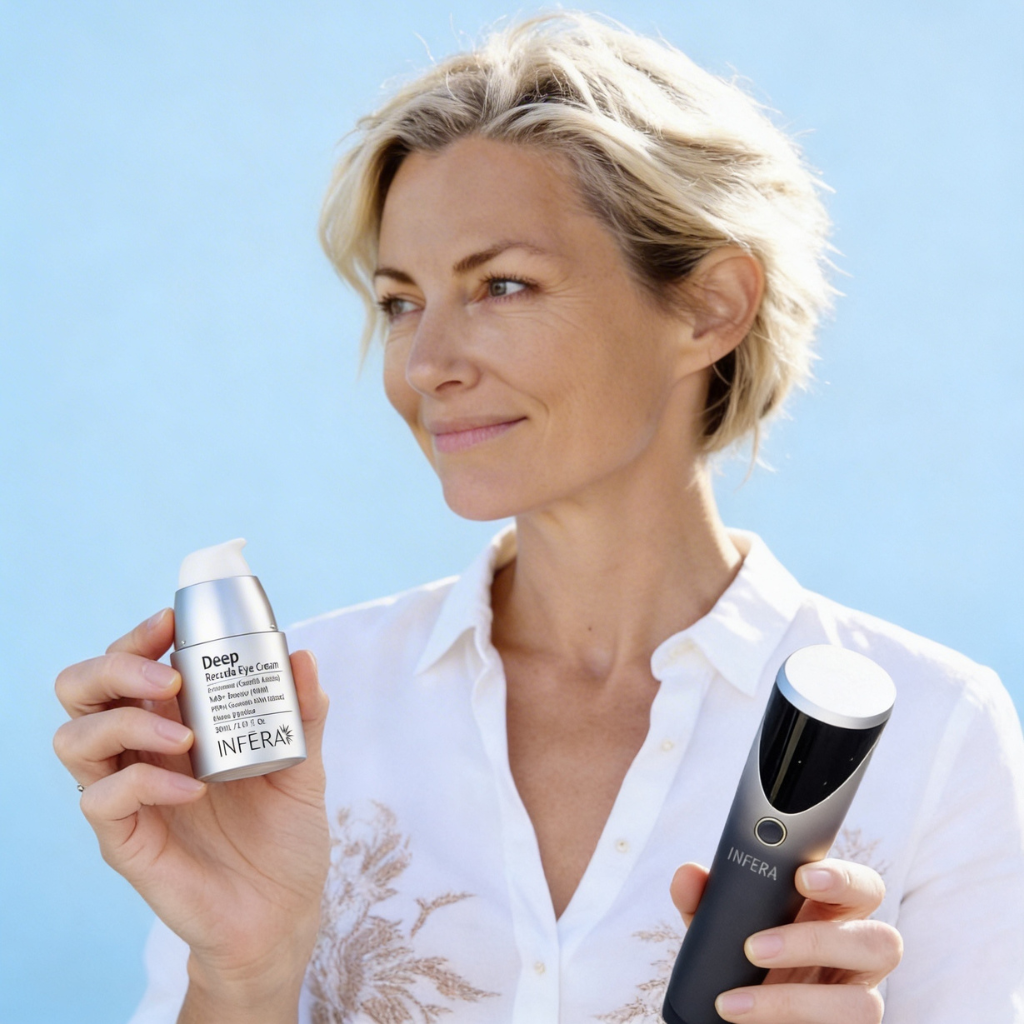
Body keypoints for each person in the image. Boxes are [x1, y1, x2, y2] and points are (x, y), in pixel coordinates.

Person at [53, 13, 1024, 1024]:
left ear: (710, 306)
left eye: (501, 285)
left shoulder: (937, 731)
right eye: (398, 301)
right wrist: (242, 971)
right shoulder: (295, 725)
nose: (427, 363)